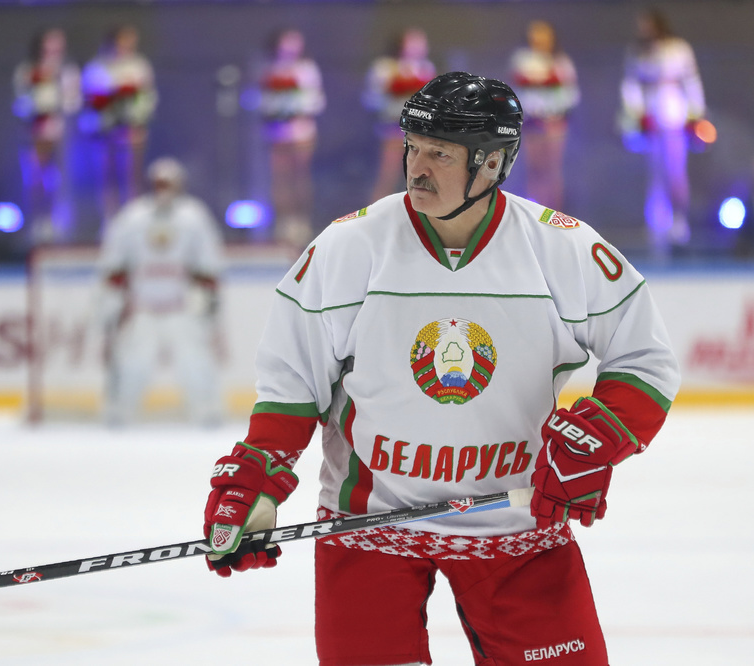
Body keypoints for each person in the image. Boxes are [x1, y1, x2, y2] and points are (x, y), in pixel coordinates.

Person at [201, 72, 680, 665]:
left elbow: (645, 359)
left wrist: (597, 439)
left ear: (494, 162)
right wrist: (257, 478)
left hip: (517, 527)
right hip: (367, 527)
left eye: (440, 153)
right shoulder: (350, 247)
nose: (417, 166)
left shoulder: (562, 249)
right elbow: (292, 383)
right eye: (413, 147)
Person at [97, 157, 224, 427]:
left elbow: (209, 263)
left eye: (169, 183)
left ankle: (207, 412)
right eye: (159, 183)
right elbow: (114, 264)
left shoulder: (194, 216)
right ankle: (119, 414)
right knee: (132, 364)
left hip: (181, 307)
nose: (164, 188)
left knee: (196, 363)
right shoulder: (132, 217)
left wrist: (209, 297)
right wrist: (112, 300)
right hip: (143, 308)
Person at [620, 8, 706, 257]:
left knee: (675, 171)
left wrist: (696, 113)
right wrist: (636, 113)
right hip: (650, 121)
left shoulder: (678, 48)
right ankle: (657, 226)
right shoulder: (637, 52)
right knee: (655, 174)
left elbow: (691, 81)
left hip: (674, 117)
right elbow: (630, 84)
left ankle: (679, 225)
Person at [80, 24, 158, 230]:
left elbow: (148, 98)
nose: (128, 46)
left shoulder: (139, 66)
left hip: (131, 127)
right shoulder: (97, 67)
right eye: (124, 41)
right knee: (106, 176)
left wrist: (137, 118)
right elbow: (90, 99)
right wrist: (111, 99)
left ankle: (134, 221)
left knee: (131, 175)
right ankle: (109, 220)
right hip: (103, 130)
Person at [12, 27, 82, 244]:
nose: (53, 49)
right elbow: (20, 101)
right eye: (49, 44)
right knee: (35, 177)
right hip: (34, 129)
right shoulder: (27, 70)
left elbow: (74, 101)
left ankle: (57, 222)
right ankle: (37, 221)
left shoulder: (67, 71)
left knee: (57, 178)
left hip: (60, 131)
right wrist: (36, 107)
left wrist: (56, 106)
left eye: (58, 45)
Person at [257, 28, 325, 252]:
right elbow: (260, 98)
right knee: (280, 178)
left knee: (300, 176)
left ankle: (302, 221)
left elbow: (316, 99)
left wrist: (297, 106)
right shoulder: (269, 69)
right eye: (286, 43)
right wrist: (276, 108)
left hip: (301, 129)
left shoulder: (307, 69)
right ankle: (283, 223)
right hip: (277, 130)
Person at [509, 19, 579, 210]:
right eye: (535, 35)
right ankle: (535, 211)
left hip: (554, 123)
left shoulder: (561, 62)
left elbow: (571, 95)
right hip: (532, 122)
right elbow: (517, 91)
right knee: (534, 170)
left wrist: (556, 113)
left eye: (543, 35)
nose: (538, 39)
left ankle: (553, 213)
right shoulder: (523, 60)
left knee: (552, 171)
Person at [364, 28, 437, 203]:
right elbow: (371, 98)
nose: (418, 47)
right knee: (387, 174)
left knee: (421, 176)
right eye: (413, 42)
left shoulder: (426, 68)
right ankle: (378, 213)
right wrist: (394, 91)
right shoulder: (385, 68)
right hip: (393, 128)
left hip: (420, 132)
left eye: (421, 43)